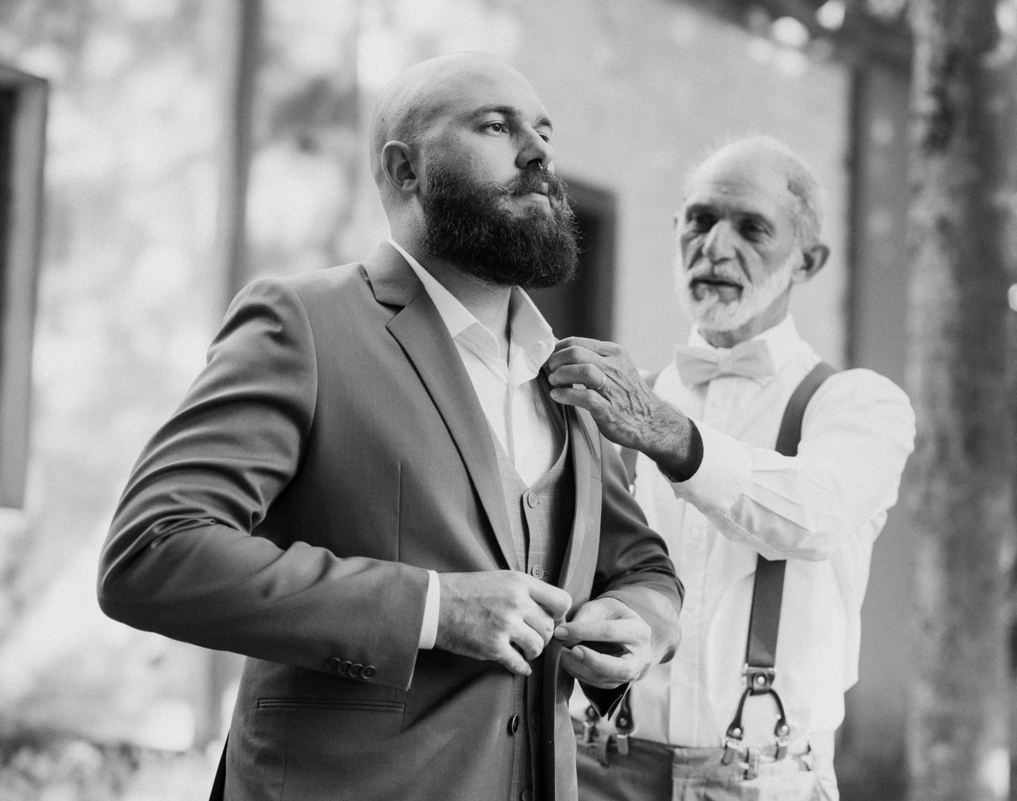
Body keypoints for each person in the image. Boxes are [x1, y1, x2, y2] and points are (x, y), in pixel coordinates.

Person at [98, 52, 682, 801]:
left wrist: (640, 623)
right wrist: (434, 609)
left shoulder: (566, 374)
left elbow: (644, 567)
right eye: (495, 126)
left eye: (543, 132)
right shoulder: (305, 323)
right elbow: (153, 550)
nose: (537, 153)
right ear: (407, 170)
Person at [547, 136, 915, 800]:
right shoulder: (624, 402)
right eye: (700, 220)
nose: (716, 247)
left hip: (768, 780)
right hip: (602, 764)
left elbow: (814, 512)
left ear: (808, 260)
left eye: (752, 228)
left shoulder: (858, 403)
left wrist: (670, 437)